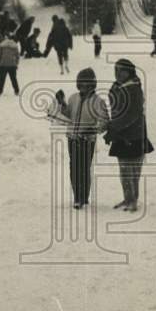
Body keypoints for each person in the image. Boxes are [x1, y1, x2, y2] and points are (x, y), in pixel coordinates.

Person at [104, 58, 154, 212]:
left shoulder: (134, 89)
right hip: (121, 135)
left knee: (133, 170)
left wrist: (113, 128)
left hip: (134, 135)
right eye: (116, 70)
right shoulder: (118, 86)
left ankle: (133, 200)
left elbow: (131, 114)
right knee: (124, 170)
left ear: (129, 72)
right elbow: (116, 109)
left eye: (121, 71)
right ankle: (127, 198)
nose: (118, 74)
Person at [64, 67, 109, 208]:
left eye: (86, 83)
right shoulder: (73, 98)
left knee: (83, 168)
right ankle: (78, 194)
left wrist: (94, 129)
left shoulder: (98, 101)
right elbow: (67, 115)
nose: (83, 86)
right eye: (80, 83)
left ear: (92, 84)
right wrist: (61, 105)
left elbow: (104, 121)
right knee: (73, 167)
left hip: (87, 140)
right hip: (72, 138)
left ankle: (82, 197)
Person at [0, 30, 21, 95]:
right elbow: (17, 56)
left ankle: (0, 92)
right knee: (13, 79)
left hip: (3, 64)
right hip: (12, 64)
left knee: (2, 79)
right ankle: (16, 91)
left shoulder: (1, 45)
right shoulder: (15, 45)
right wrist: (16, 63)